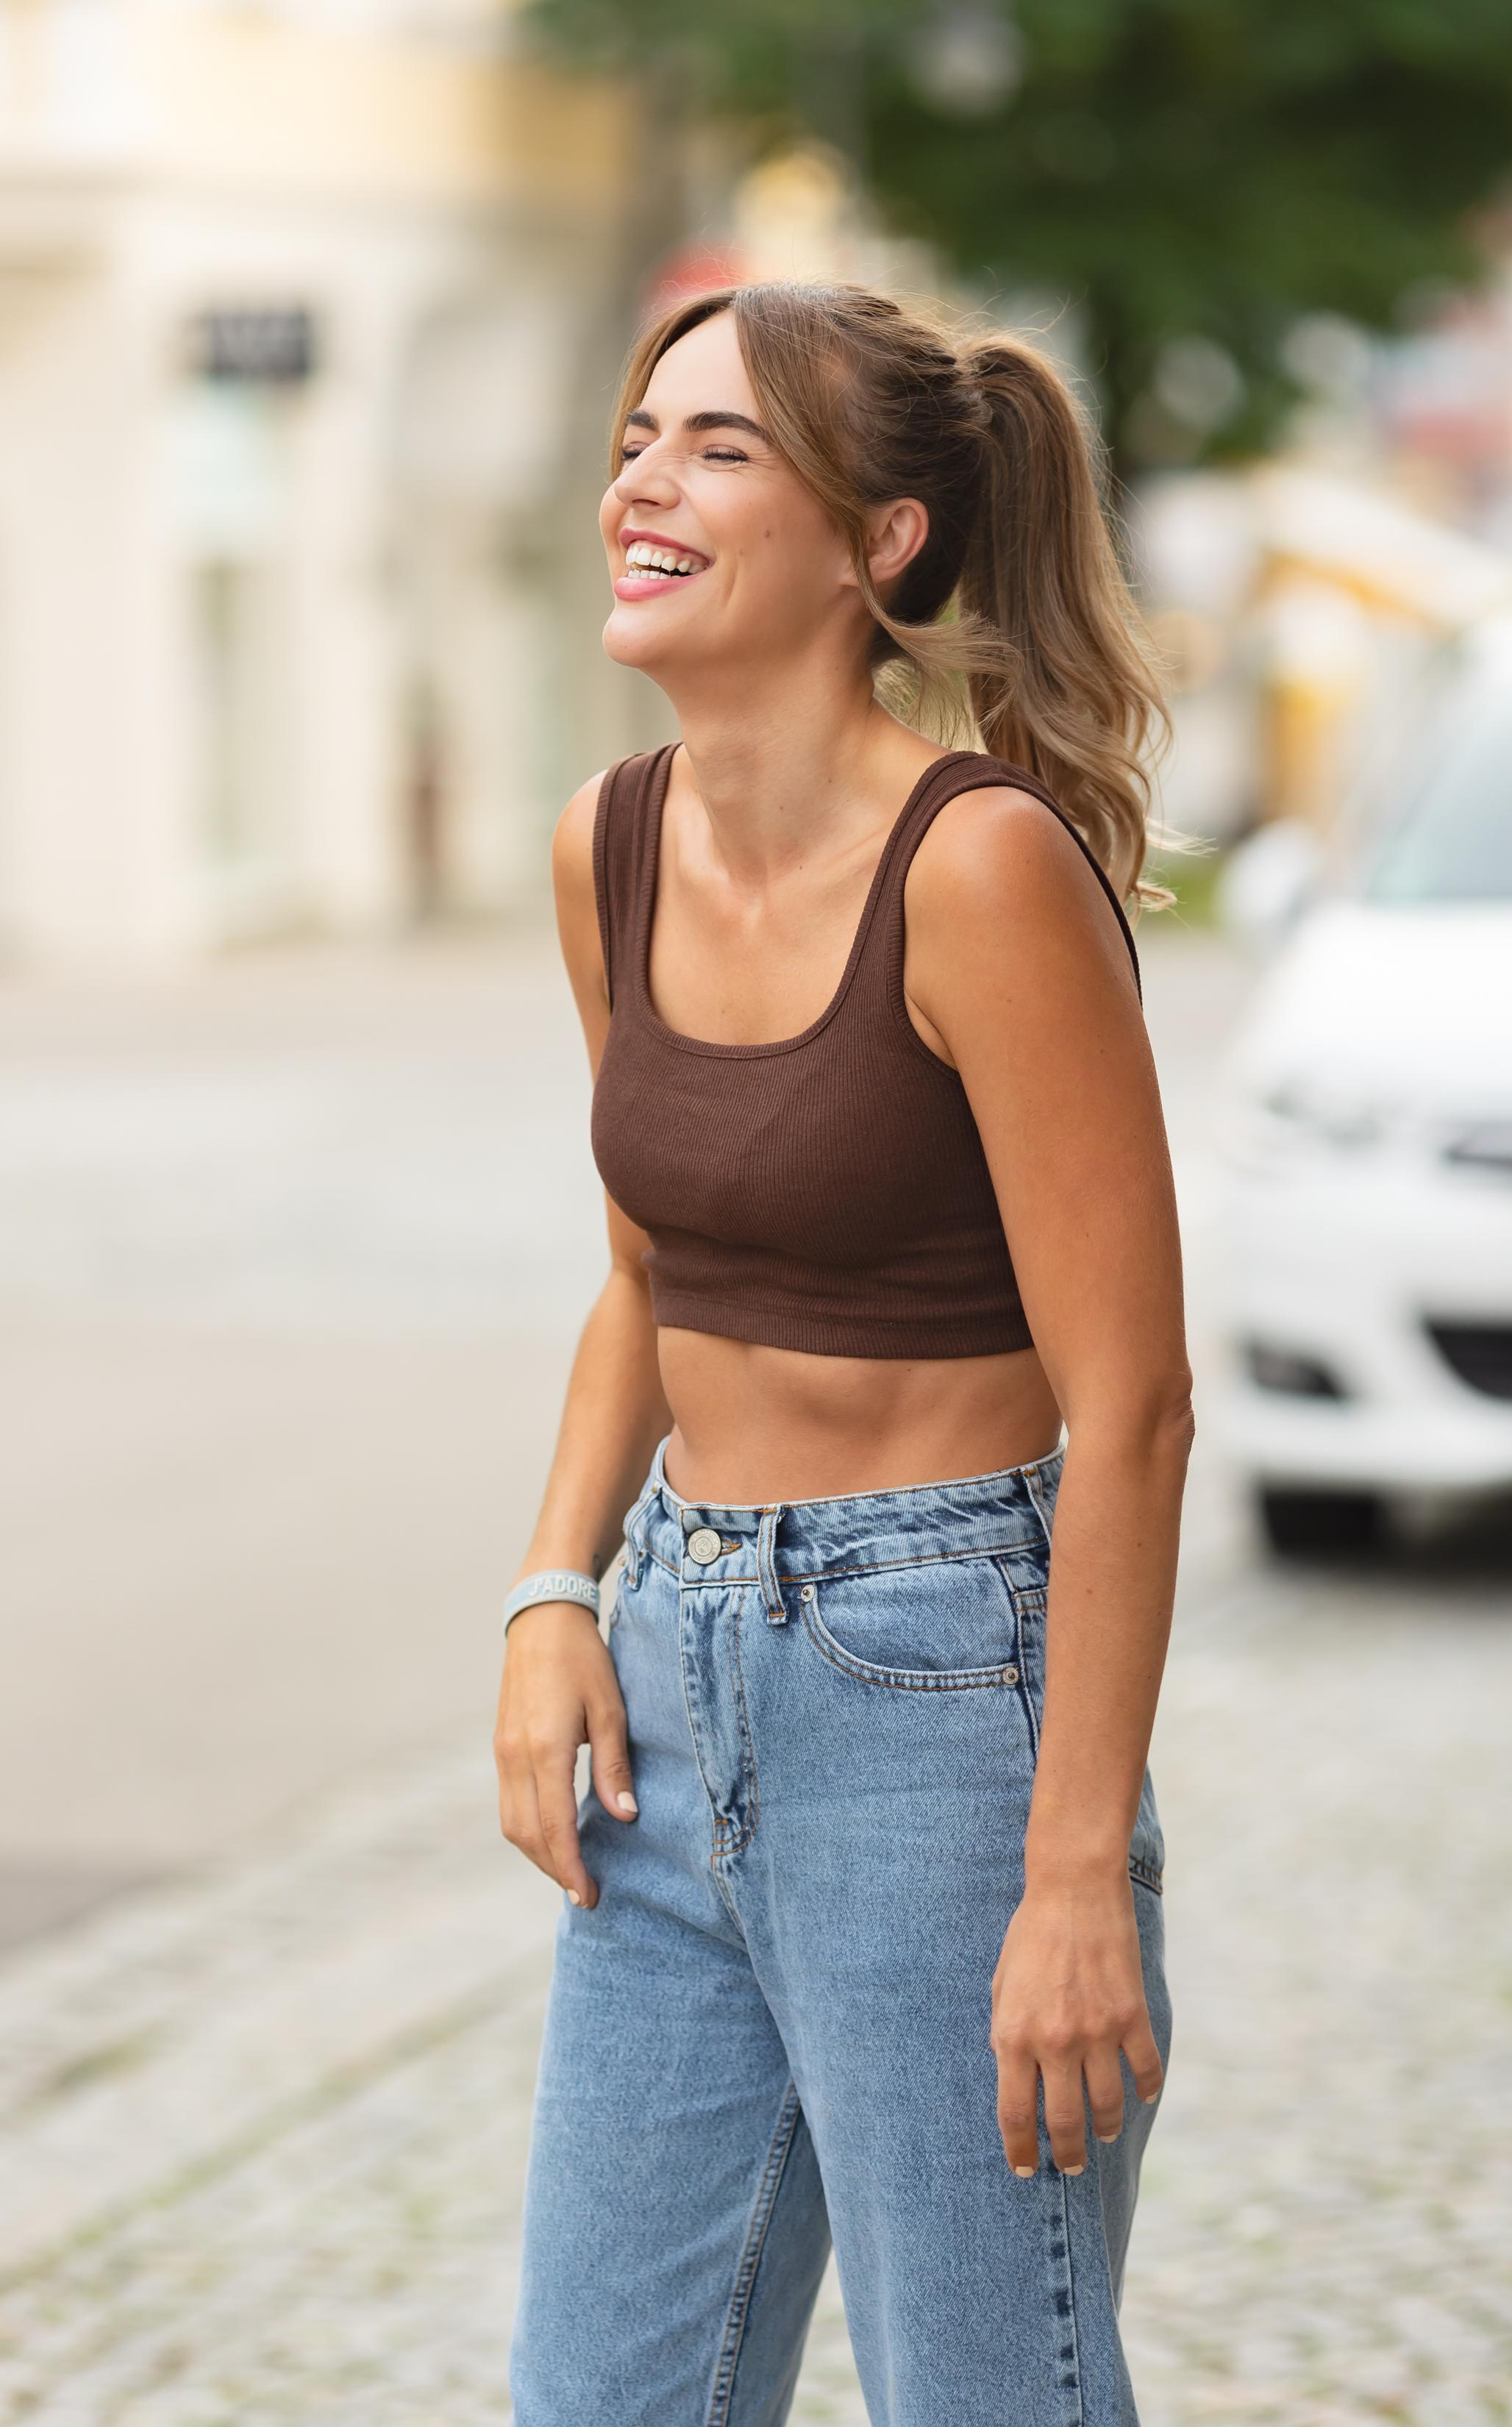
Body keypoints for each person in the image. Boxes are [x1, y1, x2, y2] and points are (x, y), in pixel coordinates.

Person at [495, 280, 1191, 2427]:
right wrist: (551, 1593)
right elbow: (652, 1275)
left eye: (718, 446)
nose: (645, 478)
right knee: (604, 2398)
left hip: (943, 1695)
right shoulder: (603, 844)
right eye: (641, 433)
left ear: (881, 542)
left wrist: (1072, 1865)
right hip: (675, 1685)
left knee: (988, 2394)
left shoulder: (979, 868)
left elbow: (1137, 1405)